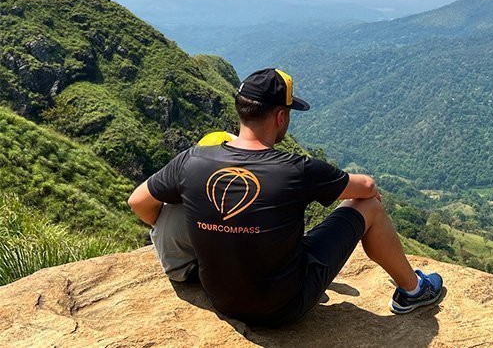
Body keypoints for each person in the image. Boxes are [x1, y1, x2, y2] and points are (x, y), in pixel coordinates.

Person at [127, 68, 445, 326]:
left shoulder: (191, 160)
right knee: (369, 207)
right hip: (284, 308)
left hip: (220, 299)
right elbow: (366, 187)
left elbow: (138, 202)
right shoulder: (295, 169)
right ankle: (413, 290)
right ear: (280, 117)